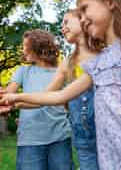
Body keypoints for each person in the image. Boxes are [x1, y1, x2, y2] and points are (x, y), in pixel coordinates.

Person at [0, 0, 121, 169]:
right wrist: (13, 98)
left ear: (110, 1)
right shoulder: (99, 63)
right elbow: (59, 96)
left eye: (85, 9)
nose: (82, 19)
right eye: (79, 15)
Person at [6, 29, 73, 170]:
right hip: (30, 138)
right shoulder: (23, 71)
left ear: (37, 46)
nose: (23, 51)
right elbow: (8, 95)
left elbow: (67, 101)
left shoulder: (61, 72)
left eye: (25, 46)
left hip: (59, 137)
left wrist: (17, 103)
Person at [45, 9, 98, 170]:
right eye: (61, 25)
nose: (62, 28)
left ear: (83, 20)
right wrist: (12, 100)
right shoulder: (69, 63)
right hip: (83, 139)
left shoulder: (104, 53)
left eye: (66, 22)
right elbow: (47, 95)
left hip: (109, 132)